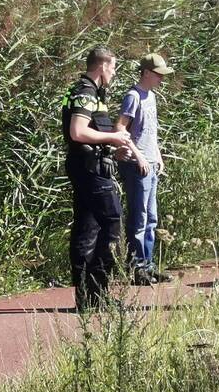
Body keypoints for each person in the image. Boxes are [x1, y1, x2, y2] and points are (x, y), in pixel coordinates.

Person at [62, 46, 132, 311]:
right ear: (103, 66)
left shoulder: (87, 91)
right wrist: (112, 138)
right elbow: (78, 132)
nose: (113, 73)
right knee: (112, 222)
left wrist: (113, 147)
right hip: (89, 168)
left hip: (88, 164)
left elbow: (91, 132)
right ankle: (97, 291)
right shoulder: (86, 92)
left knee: (87, 228)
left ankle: (88, 298)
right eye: (113, 67)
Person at [116, 53, 173, 285]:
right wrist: (138, 156)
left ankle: (148, 265)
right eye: (158, 74)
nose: (161, 78)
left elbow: (152, 131)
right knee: (138, 218)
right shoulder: (133, 96)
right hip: (135, 165)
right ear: (147, 73)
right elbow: (120, 127)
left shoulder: (151, 97)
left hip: (151, 164)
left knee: (151, 218)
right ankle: (136, 268)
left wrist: (157, 155)